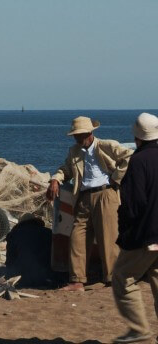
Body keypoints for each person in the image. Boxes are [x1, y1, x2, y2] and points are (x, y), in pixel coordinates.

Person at [46, 116, 133, 291]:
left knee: (108, 237)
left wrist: (116, 179)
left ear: (90, 133)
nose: (77, 138)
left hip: (106, 194)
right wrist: (55, 179)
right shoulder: (74, 151)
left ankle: (112, 278)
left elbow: (130, 156)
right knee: (77, 237)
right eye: (75, 135)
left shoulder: (106, 145)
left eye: (80, 135)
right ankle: (77, 280)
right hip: (84, 197)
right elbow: (66, 170)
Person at [112, 112, 158, 344]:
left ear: (138, 137)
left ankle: (139, 329)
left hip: (146, 234)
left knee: (122, 276)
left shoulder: (139, 161)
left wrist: (125, 231)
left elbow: (133, 203)